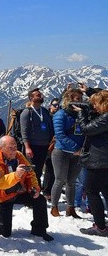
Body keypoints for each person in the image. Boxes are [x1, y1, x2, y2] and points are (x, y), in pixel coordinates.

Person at [0, 136, 54, 241]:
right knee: (4, 232)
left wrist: (34, 187)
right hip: (1, 196)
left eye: (15, 147)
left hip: (17, 192)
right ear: (1, 148)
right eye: (10, 148)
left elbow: (30, 173)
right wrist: (16, 175)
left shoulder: (19, 156)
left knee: (39, 200)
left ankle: (39, 230)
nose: (14, 150)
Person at [73, 90, 108, 236]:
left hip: (99, 160)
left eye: (95, 104)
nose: (94, 106)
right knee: (106, 191)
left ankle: (100, 227)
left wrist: (81, 113)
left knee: (92, 192)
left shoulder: (106, 118)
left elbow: (86, 129)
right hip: (104, 160)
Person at [49, 89, 85, 218]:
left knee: (72, 181)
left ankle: (71, 208)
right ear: (69, 100)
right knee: (60, 180)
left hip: (77, 153)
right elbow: (60, 135)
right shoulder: (61, 114)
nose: (79, 101)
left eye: (80, 98)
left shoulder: (81, 114)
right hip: (62, 152)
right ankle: (54, 207)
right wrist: (76, 147)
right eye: (77, 99)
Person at [20, 88, 54, 187]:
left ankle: (36, 190)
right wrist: (27, 147)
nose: (41, 96)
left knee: (38, 170)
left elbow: (50, 127)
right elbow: (24, 131)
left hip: (45, 146)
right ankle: (31, 191)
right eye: (38, 95)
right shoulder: (27, 112)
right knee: (32, 170)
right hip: (33, 146)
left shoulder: (44, 111)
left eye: (41, 95)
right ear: (31, 98)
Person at [42, 98, 60, 200]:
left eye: (58, 105)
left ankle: (51, 190)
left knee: (54, 170)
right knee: (49, 168)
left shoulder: (58, 117)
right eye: (54, 105)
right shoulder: (47, 116)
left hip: (56, 145)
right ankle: (46, 190)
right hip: (48, 145)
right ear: (50, 106)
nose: (56, 107)